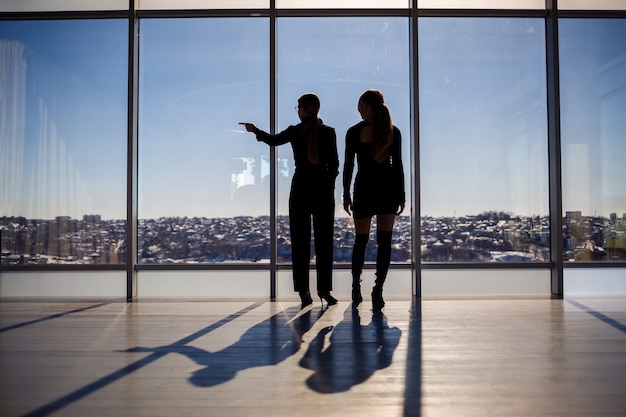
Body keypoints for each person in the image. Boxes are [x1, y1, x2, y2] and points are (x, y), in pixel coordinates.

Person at [241, 93, 339, 309]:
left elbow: (273, 140)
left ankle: (304, 292)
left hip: (301, 189)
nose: (297, 110)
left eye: (298, 107)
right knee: (324, 242)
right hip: (323, 191)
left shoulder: (296, 131)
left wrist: (254, 130)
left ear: (303, 109)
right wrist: (328, 187)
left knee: (300, 242)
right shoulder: (329, 132)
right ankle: (324, 290)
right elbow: (334, 166)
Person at [343, 89, 405, 310]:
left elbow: (349, 167)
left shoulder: (353, 132)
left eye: (359, 102)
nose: (357, 106)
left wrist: (346, 194)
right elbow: (397, 166)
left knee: (361, 240)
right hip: (387, 190)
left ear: (364, 105)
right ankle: (378, 290)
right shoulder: (393, 131)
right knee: (384, 242)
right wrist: (401, 195)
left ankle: (355, 287)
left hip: (364, 190)